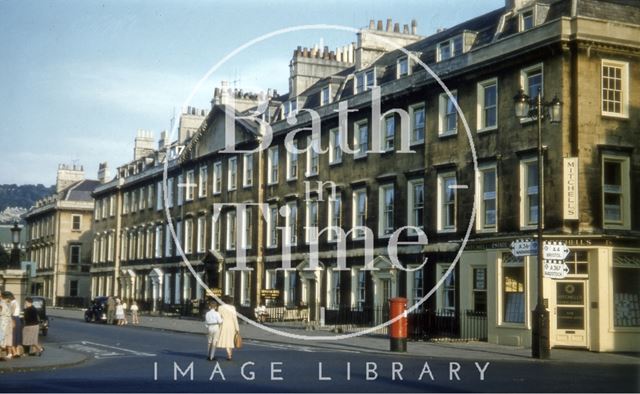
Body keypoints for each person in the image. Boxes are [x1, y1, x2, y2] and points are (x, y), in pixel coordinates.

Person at [216, 296, 240, 361]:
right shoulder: (232, 308)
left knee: (226, 339)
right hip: (231, 324)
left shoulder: (220, 307)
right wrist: (237, 328)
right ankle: (230, 354)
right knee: (231, 339)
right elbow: (235, 318)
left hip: (223, 324)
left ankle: (229, 354)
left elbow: (219, 317)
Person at [0, 291, 14, 359]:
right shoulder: (9, 304)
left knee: (1, 337)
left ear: (2, 296)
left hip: (3, 321)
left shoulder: (1, 303)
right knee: (9, 337)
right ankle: (10, 353)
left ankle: (1, 354)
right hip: (9, 321)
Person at [9, 293, 22, 358]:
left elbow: (11, 312)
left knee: (13, 336)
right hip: (17, 319)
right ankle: (18, 352)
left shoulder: (13, 303)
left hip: (14, 318)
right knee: (17, 336)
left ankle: (14, 353)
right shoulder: (16, 302)